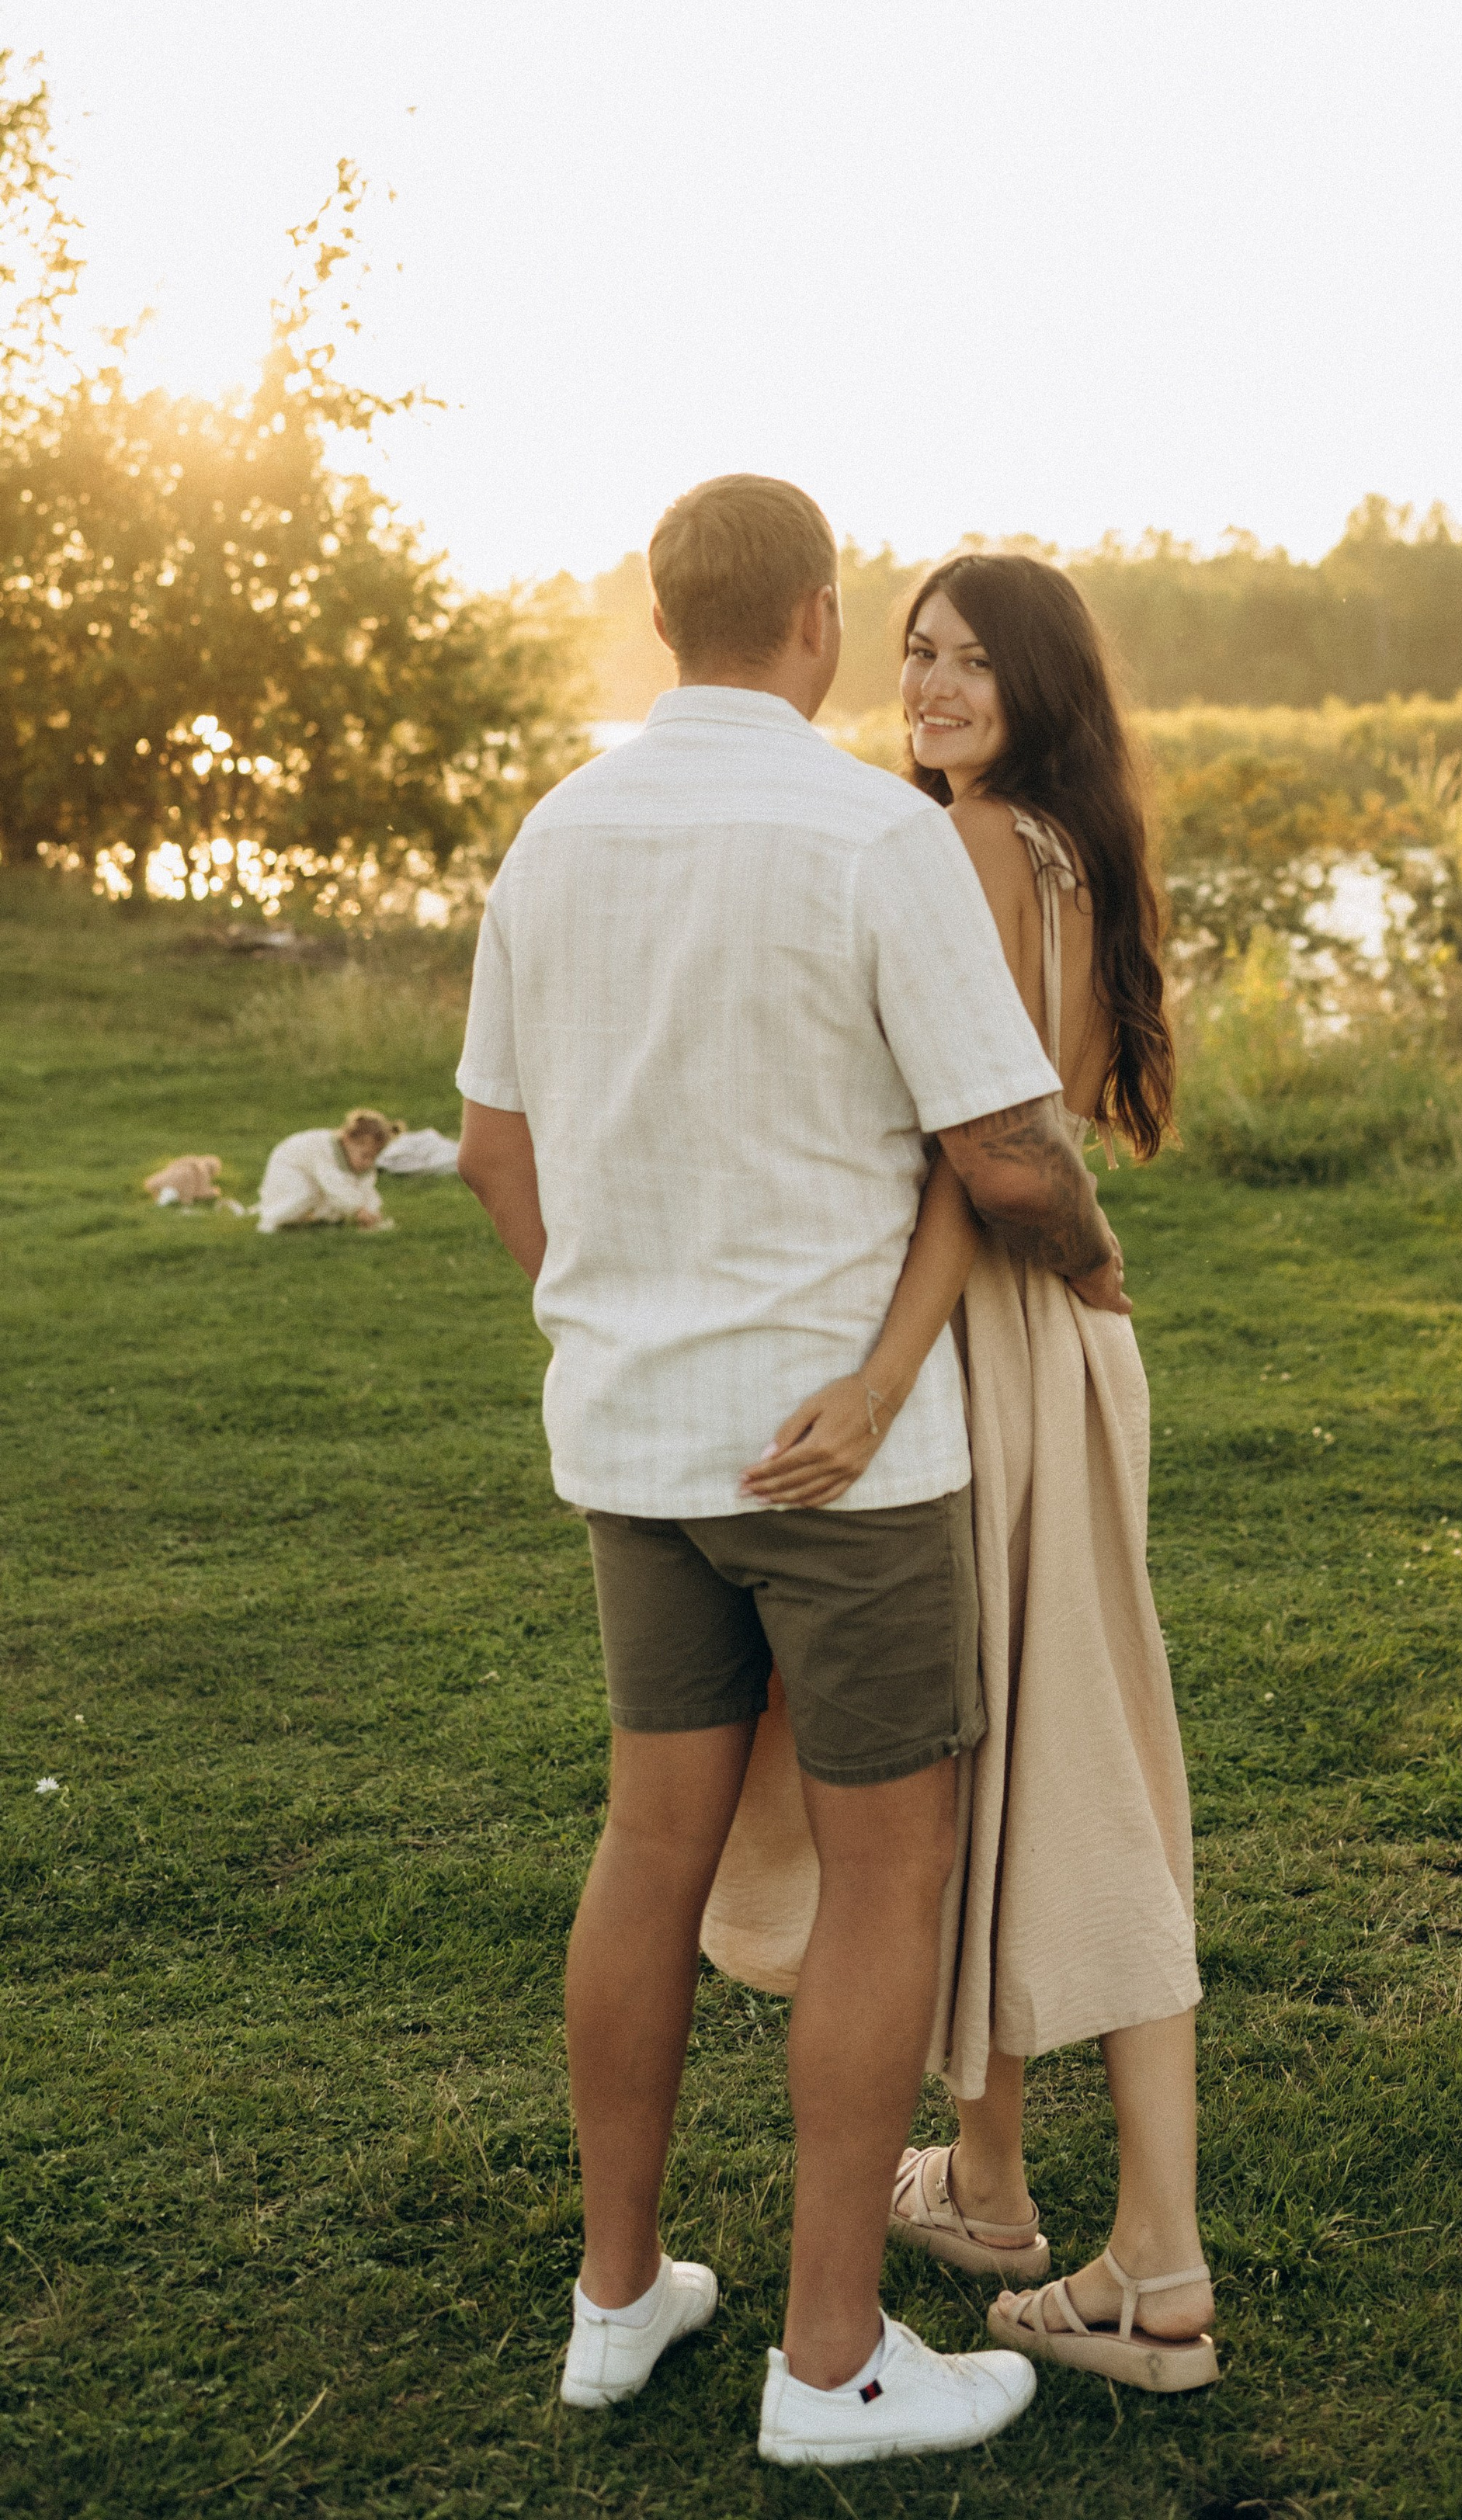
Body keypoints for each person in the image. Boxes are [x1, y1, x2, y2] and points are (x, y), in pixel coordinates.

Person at [453, 476, 1129, 2469]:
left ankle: (615, 2299)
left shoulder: (556, 832)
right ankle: (829, 2359)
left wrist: (618, 1325)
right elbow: (1002, 1147)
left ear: (665, 617)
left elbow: (496, 1152)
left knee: (648, 1844)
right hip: (845, 1460)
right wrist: (1089, 1257)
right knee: (884, 1869)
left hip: (636, 1442)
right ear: (818, 621)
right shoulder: (863, 834)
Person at [710, 550, 1215, 2396]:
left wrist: (877, 1373)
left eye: (968, 661)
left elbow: (973, 1157)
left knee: (1071, 1767)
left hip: (995, 1339)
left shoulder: (971, 842)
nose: (927, 683)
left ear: (1037, 688)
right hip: (1057, 1345)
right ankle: (990, 2183)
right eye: (913, 649)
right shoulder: (1063, 848)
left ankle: (1157, 2270)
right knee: (1004, 1743)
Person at [255, 1109, 403, 1234]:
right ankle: (269, 1222)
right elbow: (334, 1185)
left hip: (311, 1173)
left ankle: (308, 1220)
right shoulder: (325, 1150)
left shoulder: (360, 1162)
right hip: (288, 1167)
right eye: (365, 1155)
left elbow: (366, 1188)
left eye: (374, 1157)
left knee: (332, 1210)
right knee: (305, 1195)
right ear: (347, 1140)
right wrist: (358, 1210)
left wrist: (372, 1211)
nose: (369, 1162)